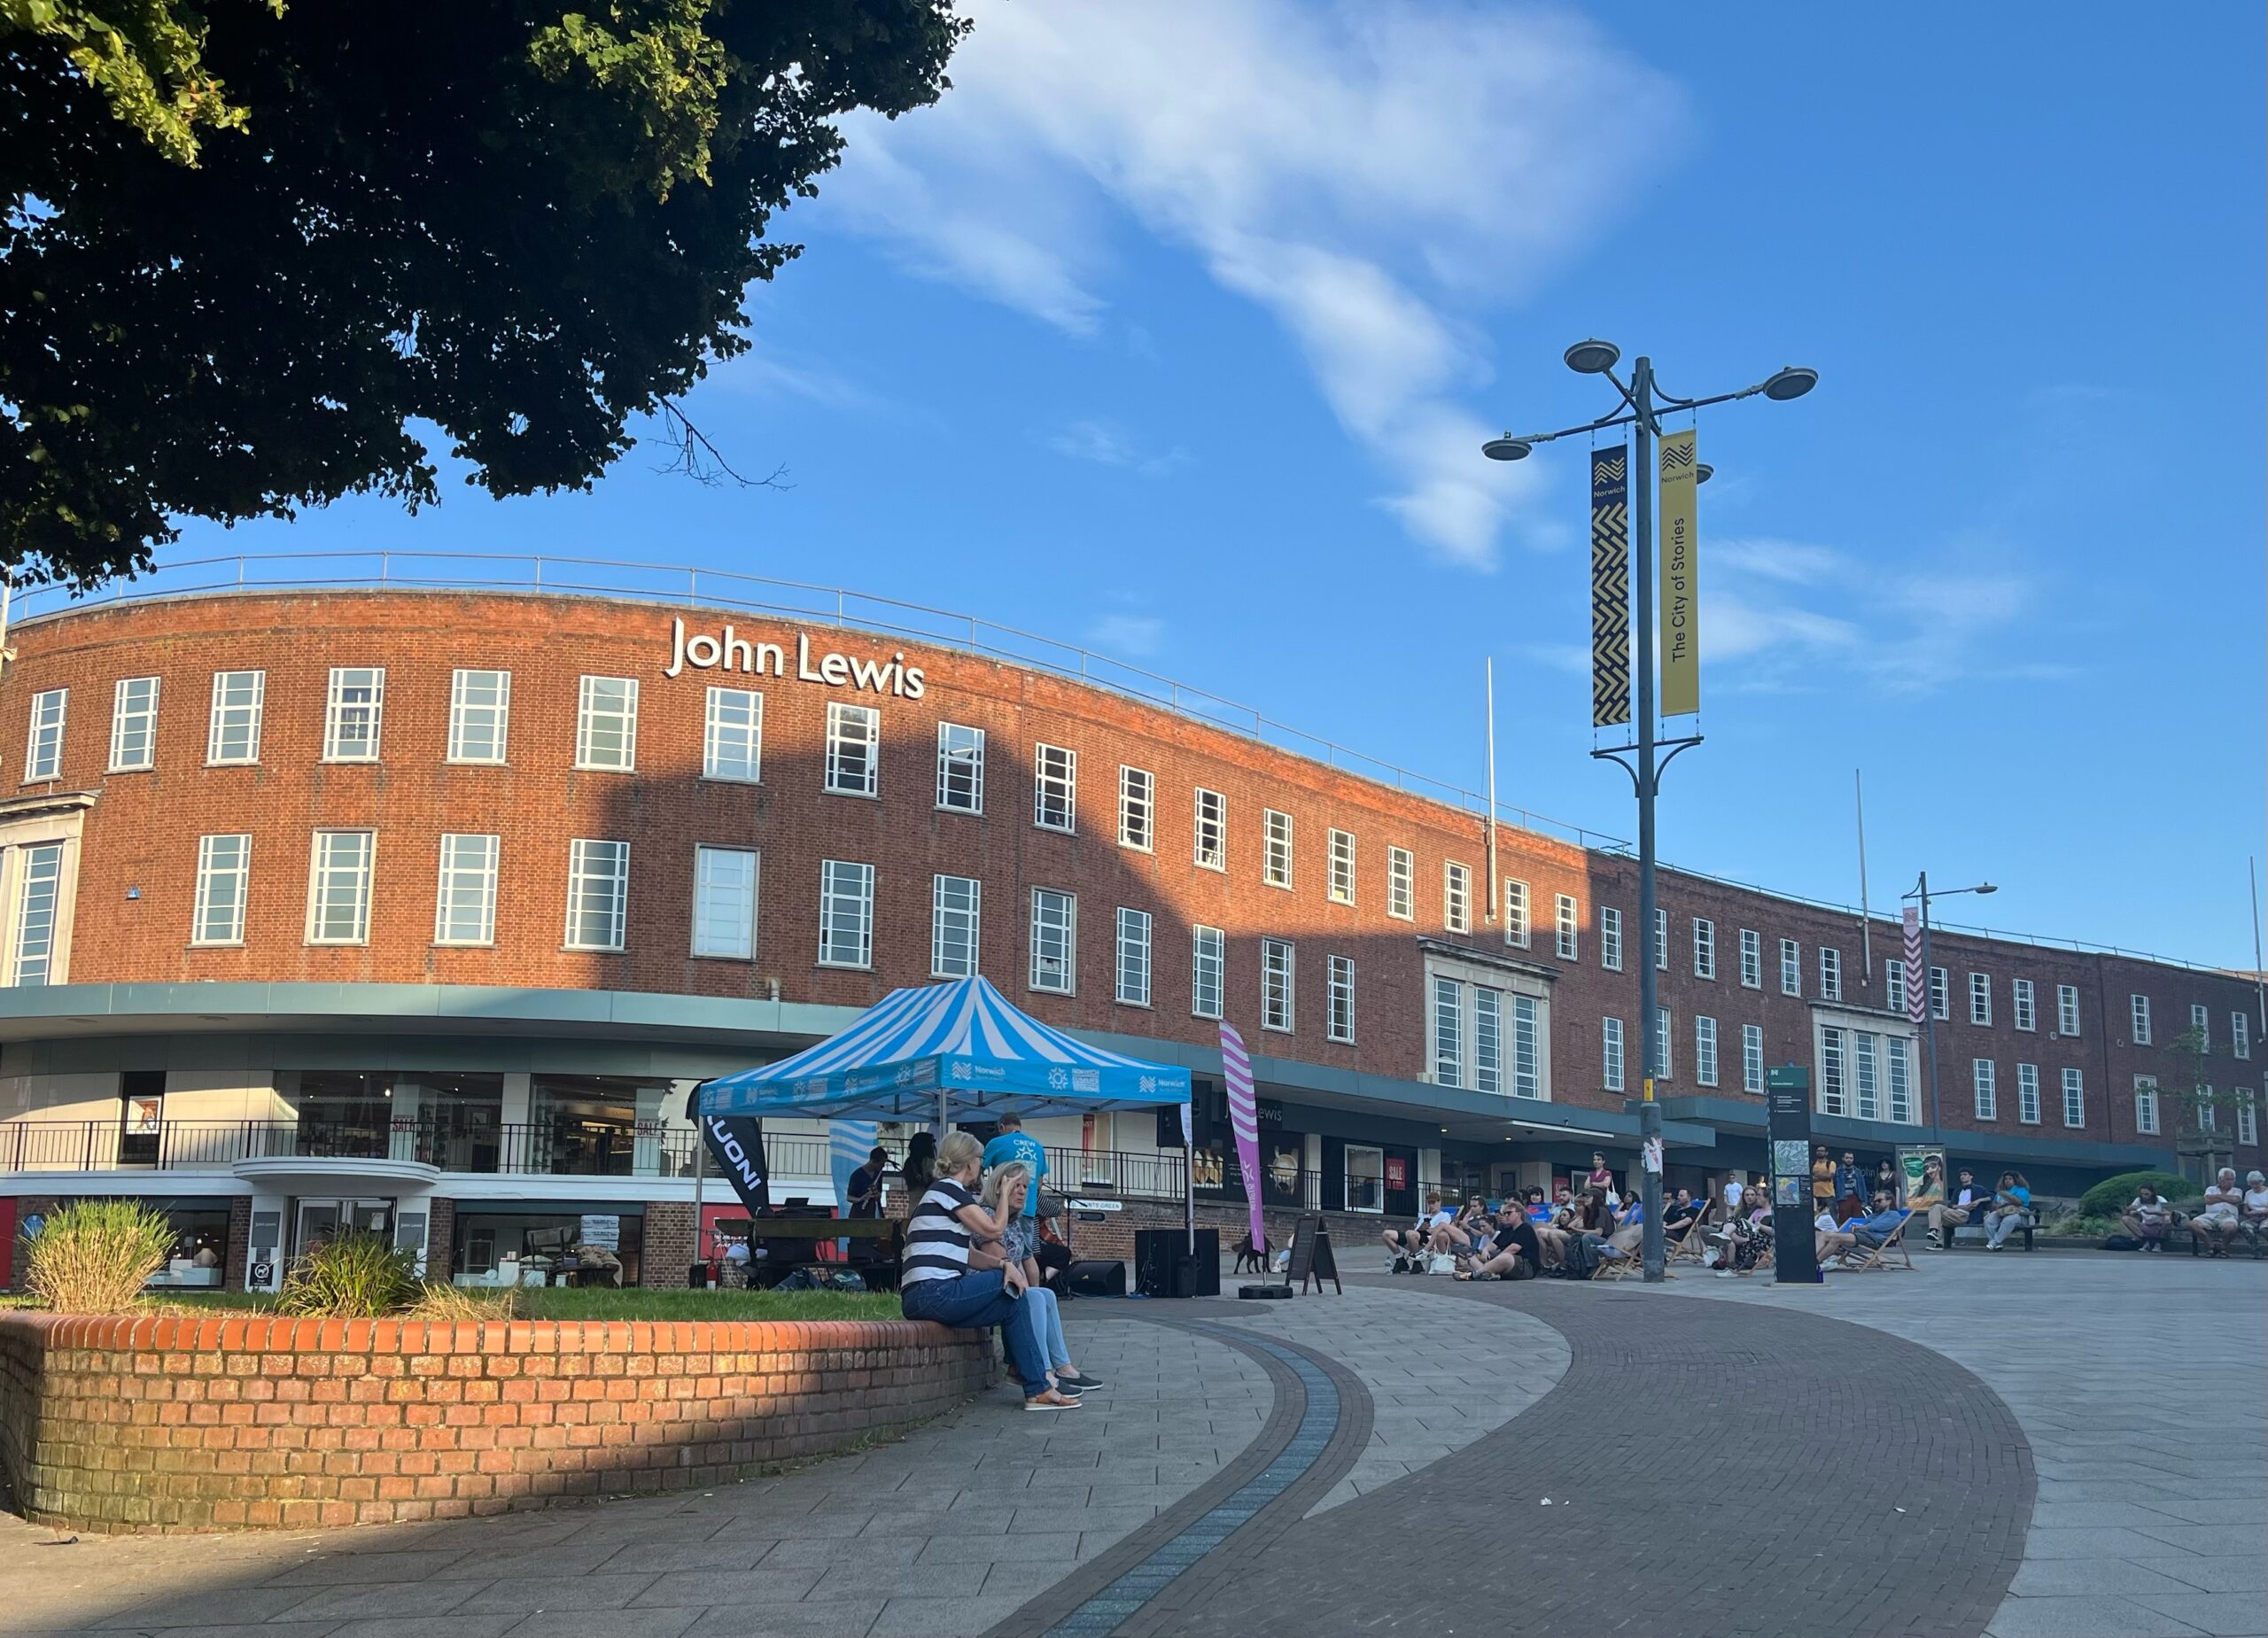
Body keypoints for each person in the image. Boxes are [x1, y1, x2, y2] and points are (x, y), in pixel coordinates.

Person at [897, 1131, 1078, 1411]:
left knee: (1011, 1304)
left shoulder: (942, 1194)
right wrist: (1004, 1193)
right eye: (980, 1160)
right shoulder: (948, 1190)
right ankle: (1033, 1375)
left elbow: (967, 1255)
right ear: (968, 1163)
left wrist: (1002, 1264)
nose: (982, 1166)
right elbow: (994, 1229)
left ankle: (1034, 1387)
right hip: (933, 1292)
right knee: (1009, 1285)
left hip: (925, 1295)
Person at [982, 1161, 1103, 1393]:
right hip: (987, 1287)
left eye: (1026, 1187)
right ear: (999, 1187)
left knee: (1044, 1294)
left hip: (1004, 1286)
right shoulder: (988, 1216)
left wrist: (1032, 1288)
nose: (1022, 1191)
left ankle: (1062, 1367)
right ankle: (1042, 1372)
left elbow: (1025, 1263)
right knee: (1035, 1297)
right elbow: (999, 1261)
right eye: (1016, 1185)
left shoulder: (1014, 1221)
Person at [981, 1114, 1048, 1217]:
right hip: (1028, 1209)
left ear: (1002, 1127)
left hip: (1003, 1208)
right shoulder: (1038, 1147)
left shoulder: (996, 1143)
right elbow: (1039, 1184)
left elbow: (978, 1171)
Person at [1456, 1203, 1542, 1281]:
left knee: (1506, 1257)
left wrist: (1495, 1260)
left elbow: (1514, 1249)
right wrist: (1485, 1250)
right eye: (1504, 1214)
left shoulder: (1526, 1228)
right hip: (1507, 1266)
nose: (1506, 1216)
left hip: (1526, 1267)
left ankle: (1473, 1275)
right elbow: (1493, 1245)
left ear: (1518, 1214)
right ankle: (1489, 1273)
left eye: (1509, 1213)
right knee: (1473, 1258)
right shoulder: (1506, 1230)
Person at [2189, 1168, 2243, 1257]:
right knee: (2192, 1224)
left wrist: (2217, 1197)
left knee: (2230, 1228)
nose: (2231, 1182)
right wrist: (2227, 1198)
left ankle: (2222, 1248)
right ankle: (2211, 1247)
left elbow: (2236, 1200)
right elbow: (2207, 1200)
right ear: (2220, 1179)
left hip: (2228, 1216)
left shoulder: (2237, 1191)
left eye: (2233, 1179)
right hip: (2210, 1215)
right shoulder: (2210, 1189)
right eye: (2228, 1179)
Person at [1928, 1169, 1986, 1249]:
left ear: (1971, 1177)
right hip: (1954, 1213)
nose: (1962, 1176)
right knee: (1936, 1208)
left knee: (1938, 1215)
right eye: (1961, 1175)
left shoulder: (1979, 1189)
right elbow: (1951, 1205)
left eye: (1965, 1174)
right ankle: (1934, 1234)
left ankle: (1936, 1239)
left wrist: (1979, 1200)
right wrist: (1963, 1206)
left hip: (1965, 1216)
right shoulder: (1958, 1190)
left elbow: (1991, 1196)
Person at [1984, 1172, 2033, 1251]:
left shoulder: (2021, 1190)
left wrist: (2006, 1195)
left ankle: (1994, 1242)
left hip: (2019, 1213)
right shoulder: (2001, 1191)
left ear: (2015, 1180)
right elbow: (1994, 1205)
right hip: (2002, 1212)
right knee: (1988, 1220)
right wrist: (1997, 1206)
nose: (2007, 1181)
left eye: (2010, 1179)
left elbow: (2019, 1202)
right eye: (2006, 1179)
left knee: (2008, 1220)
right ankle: (1997, 1244)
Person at [2122, 1185, 2177, 1251]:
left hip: (2159, 1225)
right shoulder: (2139, 1200)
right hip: (2146, 1225)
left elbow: (2169, 1213)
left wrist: (2153, 1212)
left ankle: (2158, 1242)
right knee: (2126, 1219)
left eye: (2146, 1194)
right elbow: (2129, 1212)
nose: (2144, 1196)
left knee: (2167, 1218)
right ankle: (2145, 1240)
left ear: (2152, 1193)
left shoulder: (2160, 1199)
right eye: (2142, 1194)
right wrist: (2129, 1210)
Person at [846, 1145, 890, 1218]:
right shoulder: (857, 1175)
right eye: (882, 1163)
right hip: (858, 1214)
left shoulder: (878, 1174)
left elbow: (879, 1194)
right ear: (874, 1161)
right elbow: (849, 1197)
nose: (883, 1166)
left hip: (873, 1213)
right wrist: (860, 1199)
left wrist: (878, 1195)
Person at [901, 1130, 937, 1199]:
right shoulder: (928, 1162)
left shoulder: (909, 1162)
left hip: (913, 1198)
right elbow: (932, 1179)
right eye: (932, 1142)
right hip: (927, 1199)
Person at [1833, 1152, 1867, 1222]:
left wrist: (1864, 1201)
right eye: (1847, 1158)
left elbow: (1863, 1187)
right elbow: (1834, 1187)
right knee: (1844, 1220)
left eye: (1851, 1158)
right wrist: (1835, 1202)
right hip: (1843, 1198)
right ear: (1843, 1159)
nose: (1849, 1160)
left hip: (1856, 1198)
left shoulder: (1858, 1171)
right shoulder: (1838, 1171)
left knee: (1857, 1220)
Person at [2241, 1172, 2268, 1254]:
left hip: (2266, 1216)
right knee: (2244, 1225)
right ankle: (2256, 1249)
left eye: (2257, 1183)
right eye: (2252, 1184)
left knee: (2263, 1228)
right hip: (2253, 1217)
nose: (2255, 1186)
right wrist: (2252, 1213)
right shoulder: (2248, 1193)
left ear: (2262, 1182)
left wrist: (2261, 1211)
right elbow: (2245, 1211)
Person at [1811, 1146, 1836, 1211]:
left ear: (1826, 1153)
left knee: (1832, 1217)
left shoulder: (1830, 1163)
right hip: (1815, 1196)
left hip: (1828, 1196)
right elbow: (1810, 1178)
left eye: (1822, 1151)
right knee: (1816, 1217)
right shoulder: (1813, 1164)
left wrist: (1816, 1174)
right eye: (1818, 1151)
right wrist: (1824, 1177)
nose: (1819, 1152)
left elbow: (1830, 1176)